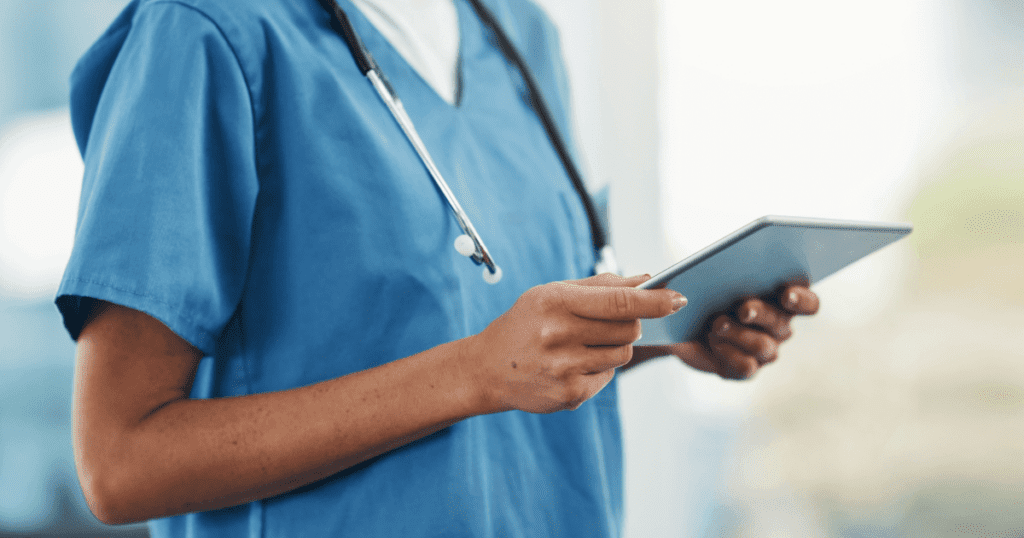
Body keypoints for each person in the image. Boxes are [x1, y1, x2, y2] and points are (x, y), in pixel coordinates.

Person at [57, 0, 820, 536]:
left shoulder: (519, 34)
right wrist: (475, 372)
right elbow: (120, 463)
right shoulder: (202, 31)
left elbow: (501, 346)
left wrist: (666, 330)